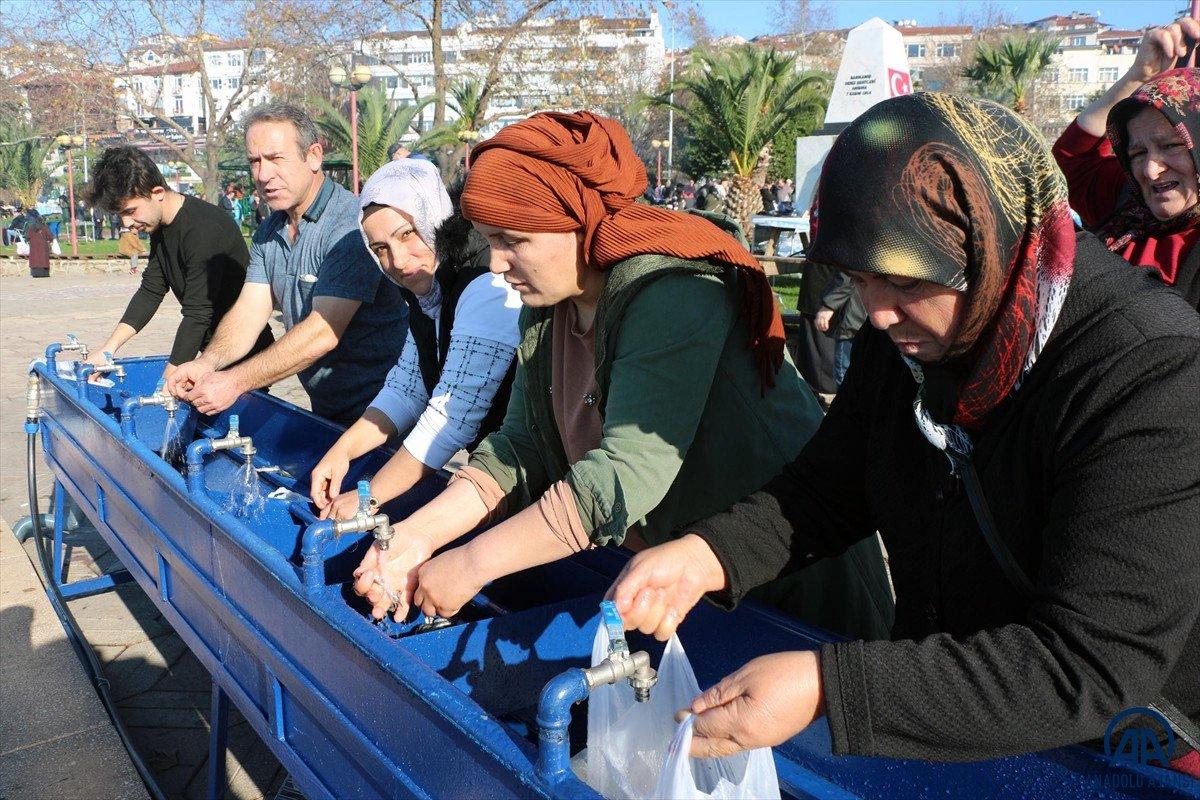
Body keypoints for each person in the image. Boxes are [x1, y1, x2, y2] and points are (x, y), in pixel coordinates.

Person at [605, 93, 1200, 775]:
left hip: (1117, 762)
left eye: (902, 281)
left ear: (985, 239)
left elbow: (1089, 664)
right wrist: (708, 555)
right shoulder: (916, 339)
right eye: (859, 280)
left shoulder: (1148, 368)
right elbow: (827, 489)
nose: (878, 314)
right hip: (947, 727)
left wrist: (832, 686)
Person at [351, 111, 894, 642]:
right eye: (488, 240)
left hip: (788, 583)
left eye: (512, 240)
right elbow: (521, 447)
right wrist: (417, 537)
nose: (495, 264)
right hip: (681, 583)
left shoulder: (672, 291)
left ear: (576, 221)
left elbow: (625, 473)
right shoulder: (548, 303)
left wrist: (472, 562)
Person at [167, 102, 407, 427]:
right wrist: (208, 362)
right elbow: (249, 313)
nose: (264, 175)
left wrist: (234, 381)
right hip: (329, 412)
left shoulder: (350, 226)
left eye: (276, 159)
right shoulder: (270, 230)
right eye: (255, 161)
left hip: (387, 413)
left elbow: (323, 331)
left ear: (313, 157)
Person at [309, 160, 521, 519]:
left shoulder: (485, 281)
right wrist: (342, 450)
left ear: (435, 218)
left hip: (535, 473)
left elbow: (452, 417)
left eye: (407, 234)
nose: (398, 260)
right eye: (379, 248)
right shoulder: (428, 293)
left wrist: (369, 497)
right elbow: (408, 389)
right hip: (495, 469)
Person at [85, 146, 273, 379]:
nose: (127, 223)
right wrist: (108, 349)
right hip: (210, 349)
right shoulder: (161, 226)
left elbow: (197, 313)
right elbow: (151, 290)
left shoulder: (202, 229)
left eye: (130, 211)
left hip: (244, 353)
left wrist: (168, 382)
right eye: (120, 215)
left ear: (157, 192)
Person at [1052, 17, 1200, 309]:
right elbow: (1073, 160)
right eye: (1137, 153)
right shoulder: (1127, 203)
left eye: (1171, 146)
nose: (1150, 170)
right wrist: (1138, 75)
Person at [814, 271, 865, 388]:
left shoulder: (852, 253)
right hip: (865, 315)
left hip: (852, 317)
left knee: (844, 375)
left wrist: (828, 306)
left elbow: (847, 276)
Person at [24, 210, 53, 278]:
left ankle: (35, 273)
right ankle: (43, 274)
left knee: (35, 259)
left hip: (33, 247)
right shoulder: (44, 227)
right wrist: (49, 240)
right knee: (42, 259)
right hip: (43, 246)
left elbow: (27, 236)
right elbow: (50, 236)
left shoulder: (31, 227)